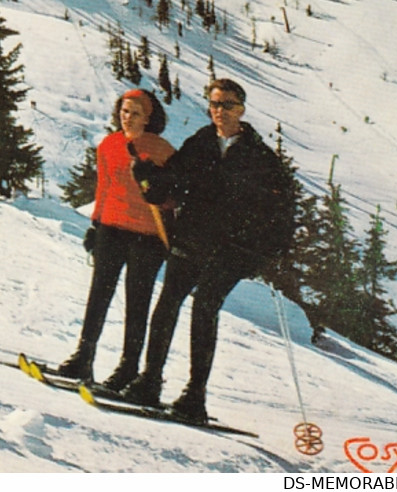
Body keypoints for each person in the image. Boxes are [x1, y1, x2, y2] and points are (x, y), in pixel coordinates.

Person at [119, 77, 296, 424]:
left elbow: (280, 210)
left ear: (241, 109)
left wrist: (266, 249)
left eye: (227, 105)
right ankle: (149, 381)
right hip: (193, 239)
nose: (220, 111)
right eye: (214, 104)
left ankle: (194, 395)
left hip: (233, 249)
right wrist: (147, 178)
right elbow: (170, 185)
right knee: (167, 303)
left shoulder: (260, 157)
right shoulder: (199, 143)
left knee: (204, 307)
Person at [52, 89, 174, 390]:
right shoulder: (108, 145)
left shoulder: (163, 150)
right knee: (99, 295)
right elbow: (103, 188)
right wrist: (95, 225)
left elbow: (173, 197)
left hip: (147, 235)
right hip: (111, 228)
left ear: (149, 116)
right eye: (123, 110)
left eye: (134, 112)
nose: (127, 116)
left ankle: (129, 367)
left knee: (137, 302)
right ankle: (84, 355)